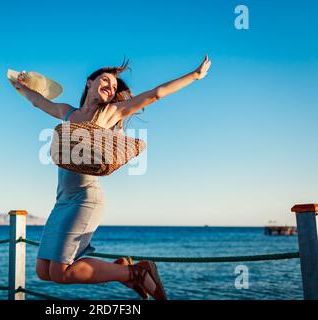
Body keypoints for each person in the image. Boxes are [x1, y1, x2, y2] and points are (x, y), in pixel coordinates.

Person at [11, 56, 211, 300]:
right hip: (62, 201)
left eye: (114, 86)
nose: (110, 86)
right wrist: (20, 85)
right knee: (44, 271)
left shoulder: (110, 112)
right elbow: (38, 102)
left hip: (86, 198)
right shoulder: (68, 112)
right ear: (89, 83)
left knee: (61, 272)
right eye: (105, 80)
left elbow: (156, 93)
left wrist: (195, 75)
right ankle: (122, 268)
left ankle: (134, 272)